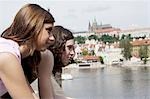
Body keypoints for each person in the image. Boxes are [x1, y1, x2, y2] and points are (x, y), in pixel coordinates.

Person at [0, 4, 55, 99]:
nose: (52, 38)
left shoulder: (14, 54)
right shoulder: (7, 56)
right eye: (48, 31)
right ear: (33, 27)